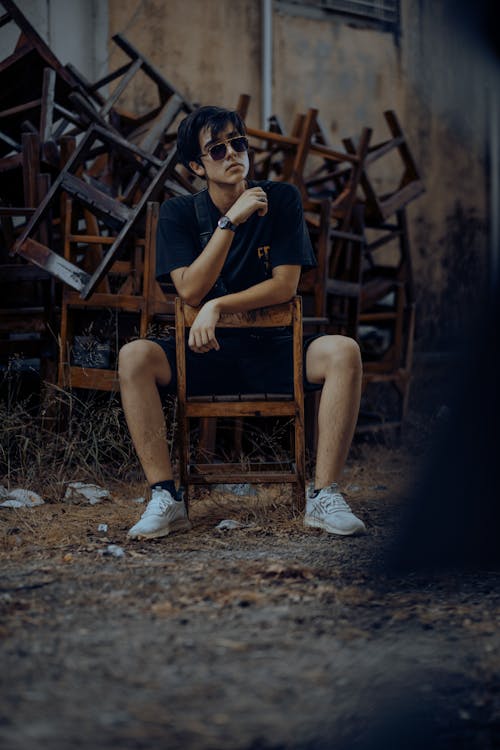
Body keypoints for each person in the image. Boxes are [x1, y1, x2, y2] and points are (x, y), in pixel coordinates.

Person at [119, 105, 366, 540]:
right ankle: (165, 497)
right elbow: (190, 290)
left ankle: (324, 494)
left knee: (344, 350)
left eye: (238, 143)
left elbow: (285, 286)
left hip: (276, 350)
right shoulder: (178, 214)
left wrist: (219, 307)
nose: (233, 154)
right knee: (134, 356)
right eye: (217, 149)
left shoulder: (281, 199)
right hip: (201, 353)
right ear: (196, 165)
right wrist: (230, 221)